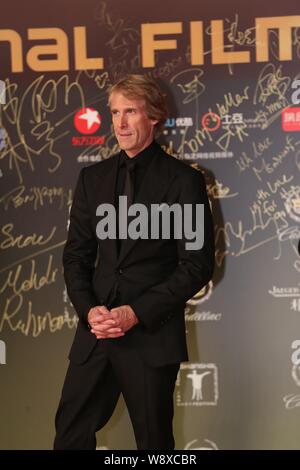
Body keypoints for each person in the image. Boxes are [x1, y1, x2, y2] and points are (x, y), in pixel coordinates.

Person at [54, 74, 215, 450]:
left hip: (149, 335)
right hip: (96, 335)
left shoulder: (183, 181)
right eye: (114, 113)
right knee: (70, 435)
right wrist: (89, 310)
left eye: (131, 112)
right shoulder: (91, 179)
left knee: (154, 443)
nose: (121, 123)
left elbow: (196, 265)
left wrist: (135, 312)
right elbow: (76, 256)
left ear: (154, 117)